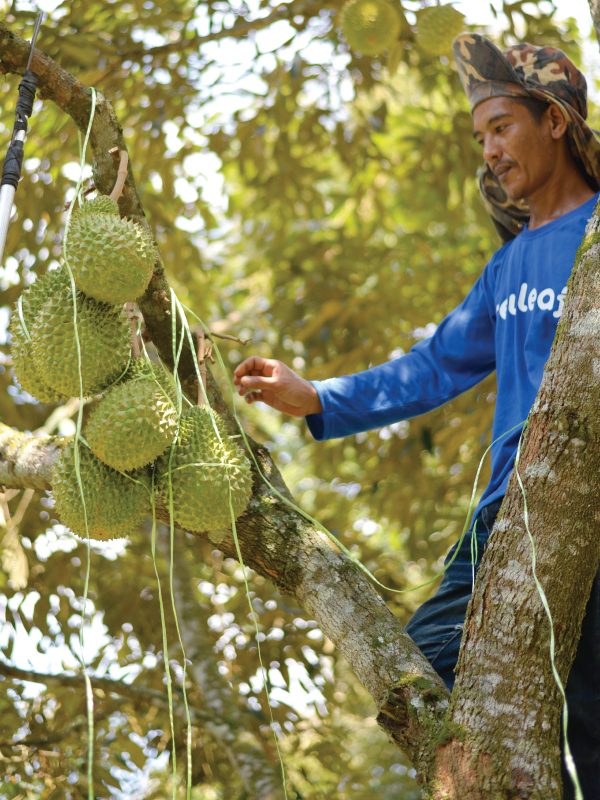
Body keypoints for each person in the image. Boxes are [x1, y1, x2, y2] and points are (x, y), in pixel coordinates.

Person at [233, 34, 600, 798]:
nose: (490, 150)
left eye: (502, 126)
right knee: (428, 657)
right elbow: (433, 367)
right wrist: (318, 395)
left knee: (587, 722)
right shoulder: (508, 265)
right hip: (506, 509)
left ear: (554, 122)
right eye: (480, 136)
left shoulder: (595, 230)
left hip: (587, 498)